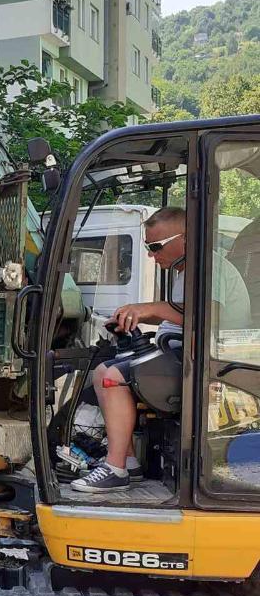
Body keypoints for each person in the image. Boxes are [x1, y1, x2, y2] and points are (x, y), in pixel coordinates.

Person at [72, 206, 251, 493]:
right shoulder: (185, 271)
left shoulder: (209, 267)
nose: (150, 255)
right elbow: (176, 312)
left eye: (155, 247)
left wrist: (151, 308)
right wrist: (134, 315)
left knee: (112, 378)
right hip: (182, 354)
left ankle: (115, 468)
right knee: (102, 369)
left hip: (208, 363)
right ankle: (127, 462)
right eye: (147, 246)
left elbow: (207, 318)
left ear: (186, 238)